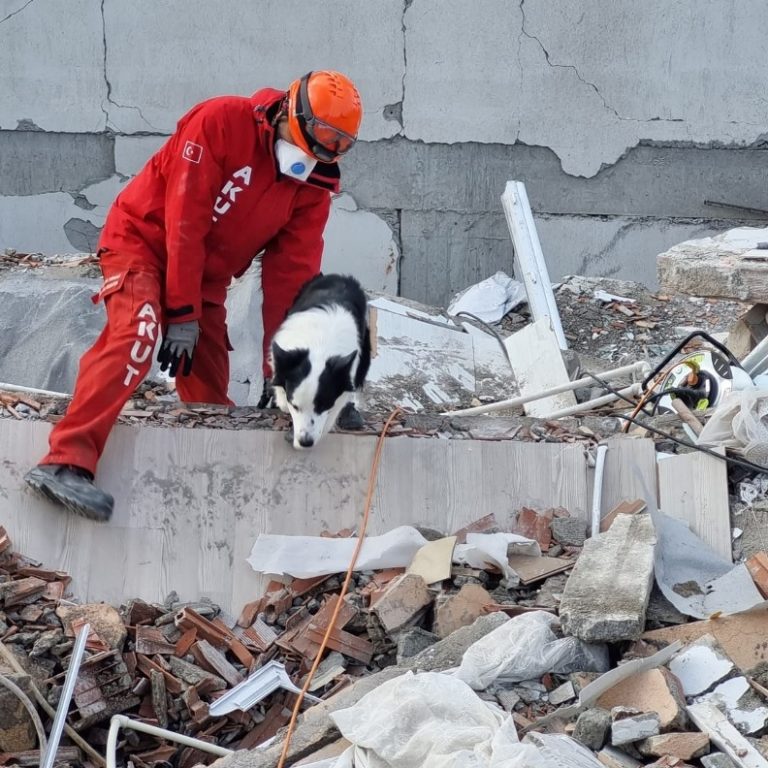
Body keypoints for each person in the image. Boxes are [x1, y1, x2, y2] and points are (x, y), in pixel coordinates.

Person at [24, 70, 363, 522]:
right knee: (137, 336)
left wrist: (284, 367)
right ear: (290, 111)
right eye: (320, 136)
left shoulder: (312, 188)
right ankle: (64, 462)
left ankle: (218, 502)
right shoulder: (221, 121)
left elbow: (292, 279)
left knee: (207, 392)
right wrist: (180, 313)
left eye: (338, 144)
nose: (319, 154)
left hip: (206, 277)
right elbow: (186, 216)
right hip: (141, 244)